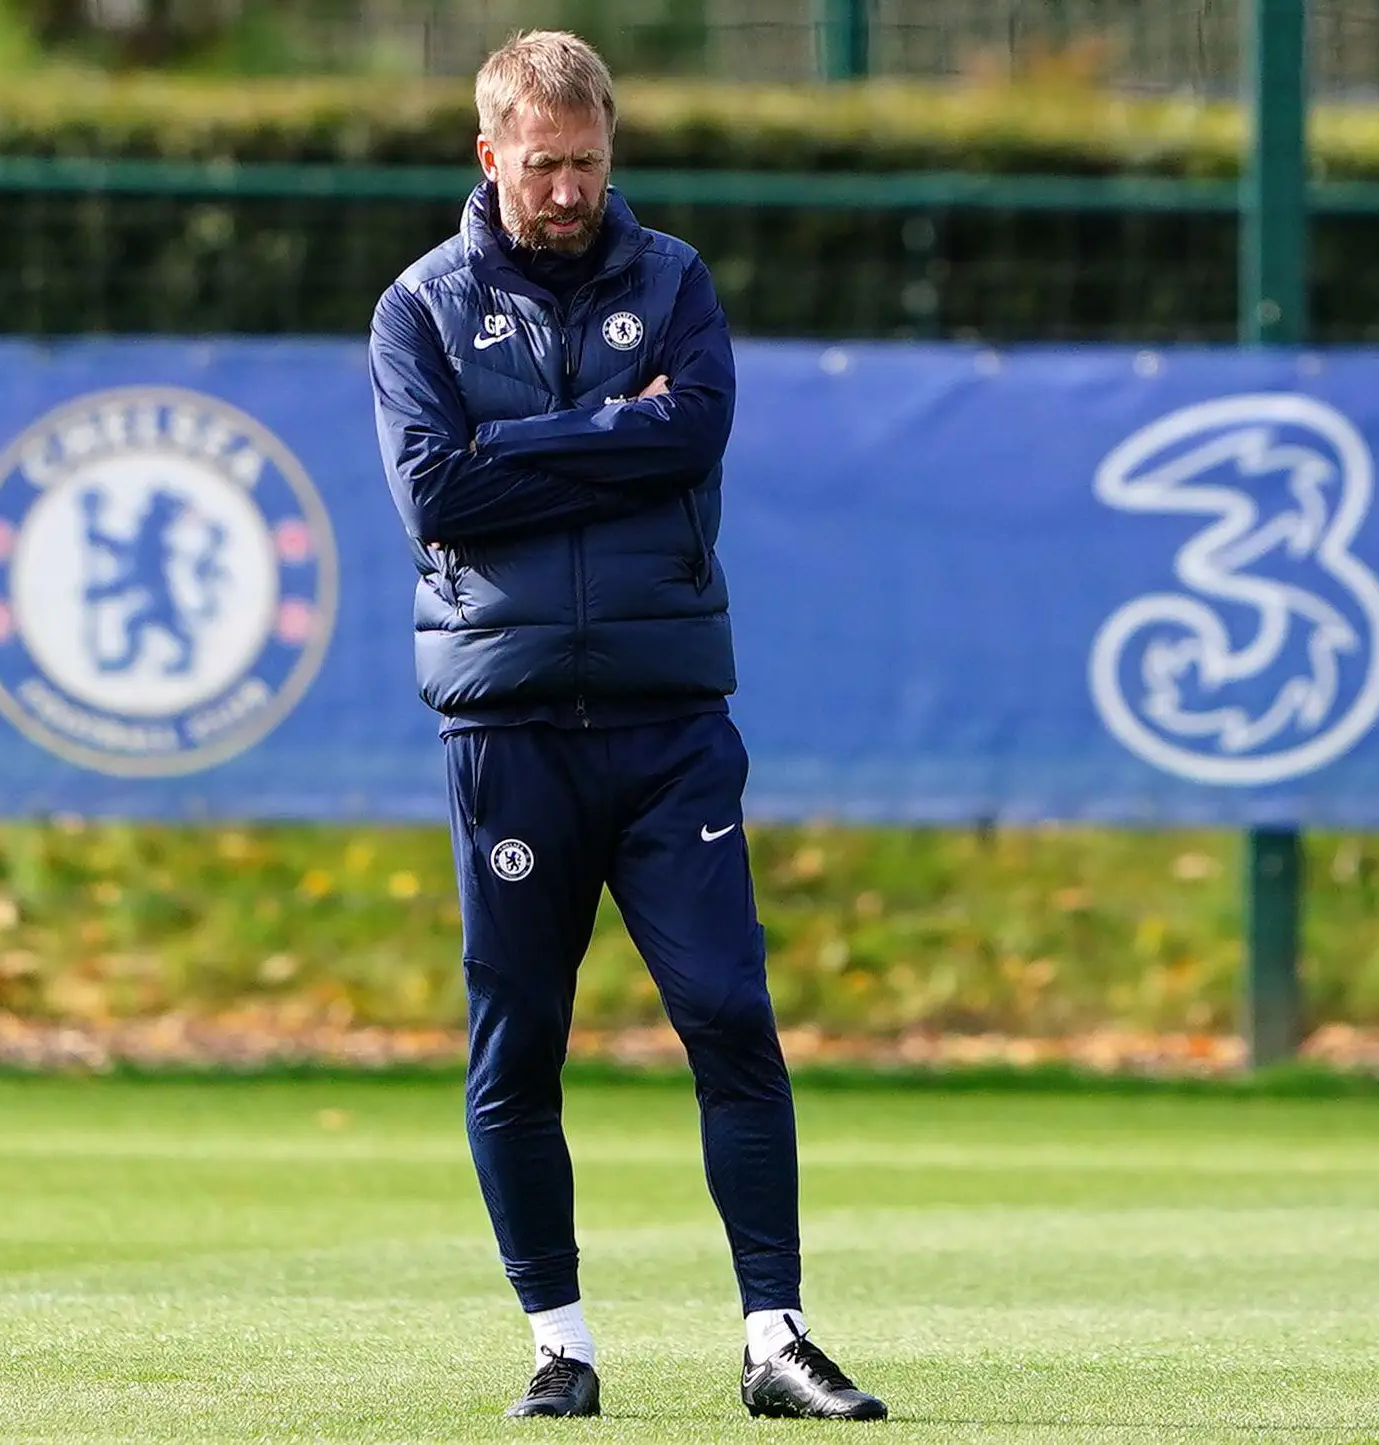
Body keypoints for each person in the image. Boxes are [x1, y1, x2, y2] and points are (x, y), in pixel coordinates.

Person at [366, 28, 886, 1425]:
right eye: (541, 166)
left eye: (586, 164)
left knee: (728, 1013)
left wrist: (514, 448)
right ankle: (559, 1343)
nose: (566, 191)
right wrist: (609, 430)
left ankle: (775, 1336)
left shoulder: (673, 280)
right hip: (511, 728)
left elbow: (691, 435)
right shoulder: (419, 310)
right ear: (489, 154)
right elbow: (435, 496)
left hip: (668, 725)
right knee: (519, 1038)